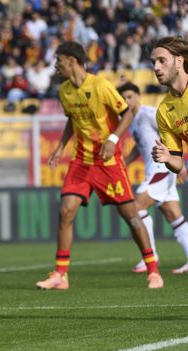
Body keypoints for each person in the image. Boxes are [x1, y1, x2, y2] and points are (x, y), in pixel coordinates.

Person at [35, 41, 163, 290]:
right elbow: (72, 120)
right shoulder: (65, 91)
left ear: (71, 61)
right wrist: (60, 148)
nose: (56, 65)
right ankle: (60, 275)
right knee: (65, 211)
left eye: (58, 60)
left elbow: (126, 113)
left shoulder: (101, 85)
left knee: (131, 217)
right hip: (81, 161)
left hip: (108, 162)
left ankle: (153, 271)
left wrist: (113, 139)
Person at [118, 82, 188, 274]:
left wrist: (179, 163)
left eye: (130, 96)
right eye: (123, 98)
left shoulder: (149, 114)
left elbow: (173, 134)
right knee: (175, 216)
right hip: (156, 169)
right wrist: (126, 162)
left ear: (139, 96)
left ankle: (150, 256)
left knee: (136, 208)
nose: (127, 101)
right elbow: (139, 145)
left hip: (162, 168)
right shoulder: (131, 120)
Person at [151, 36, 188, 273]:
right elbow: (177, 163)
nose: (155, 68)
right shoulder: (164, 110)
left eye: (161, 61)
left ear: (178, 60)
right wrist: (167, 158)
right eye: (153, 62)